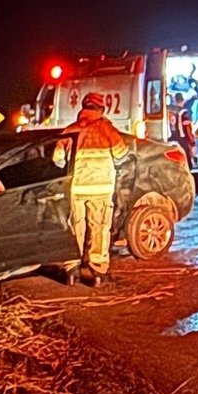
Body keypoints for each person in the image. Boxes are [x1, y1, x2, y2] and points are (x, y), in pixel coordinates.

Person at [55, 93, 129, 287]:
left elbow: (57, 159)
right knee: (100, 228)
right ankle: (97, 272)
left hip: (77, 188)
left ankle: (71, 270)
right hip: (101, 189)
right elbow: (122, 153)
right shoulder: (106, 129)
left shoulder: (70, 130)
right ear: (101, 109)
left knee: (75, 228)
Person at [171, 94, 196, 167]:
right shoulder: (184, 112)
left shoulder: (171, 112)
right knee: (187, 165)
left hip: (174, 141)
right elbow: (187, 129)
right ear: (183, 100)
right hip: (184, 141)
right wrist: (192, 143)